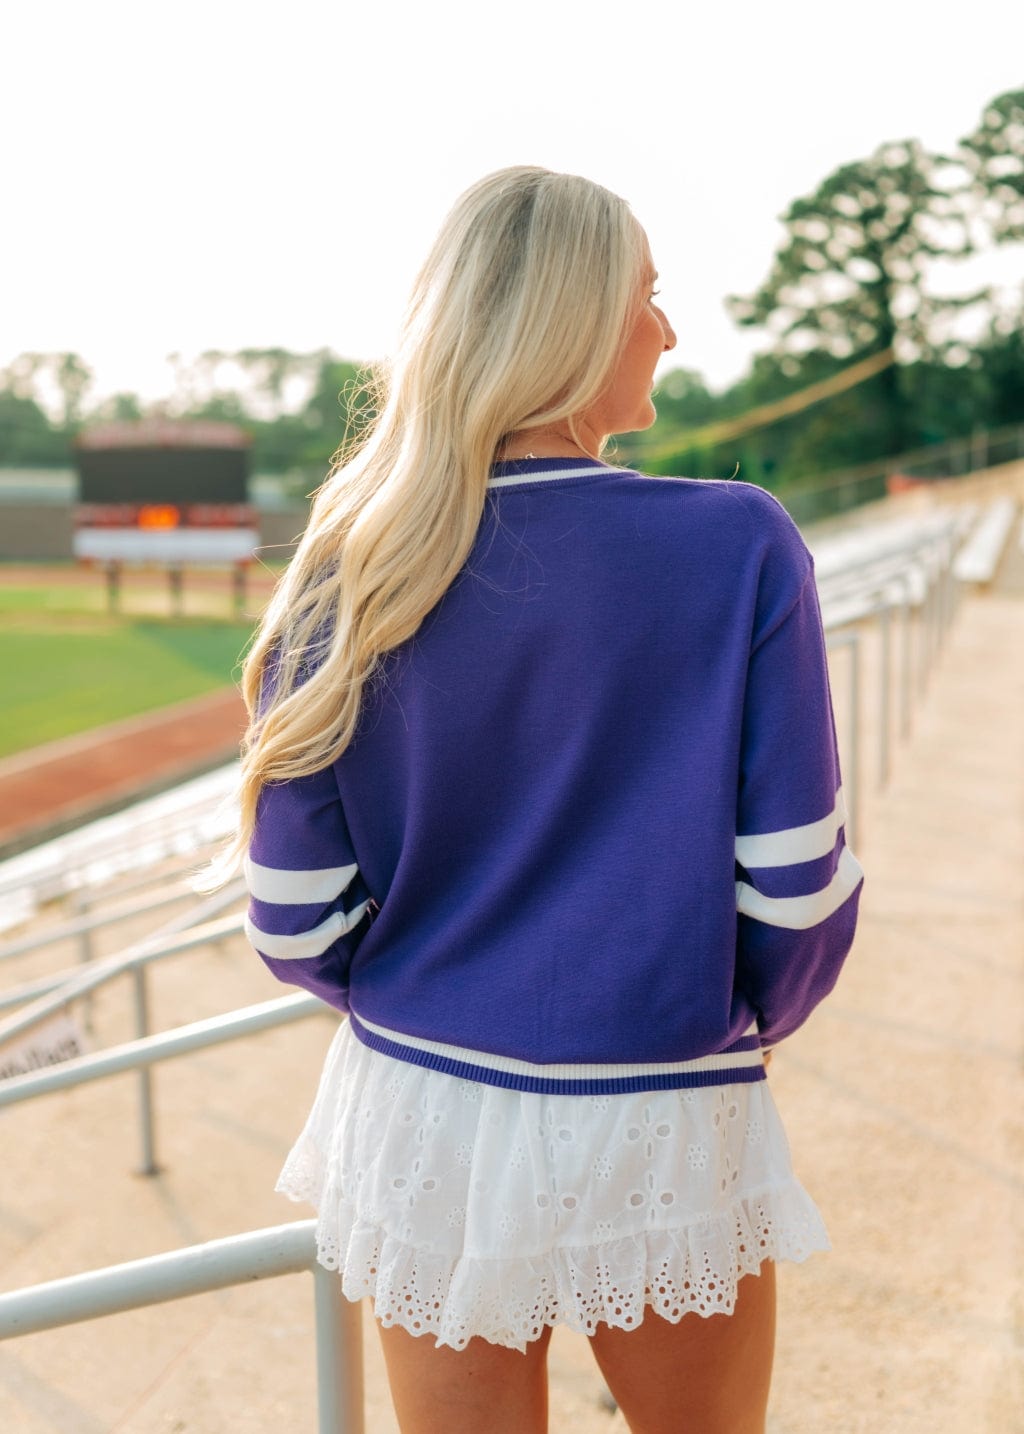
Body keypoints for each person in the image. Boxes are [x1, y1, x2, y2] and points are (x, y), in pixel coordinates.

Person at [233, 166, 863, 1433]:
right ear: (571, 324)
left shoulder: (348, 567)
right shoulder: (736, 543)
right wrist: (739, 1014)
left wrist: (448, 986)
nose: (669, 331)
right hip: (662, 1098)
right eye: (649, 295)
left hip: (420, 1104)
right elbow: (795, 884)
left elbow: (294, 923)